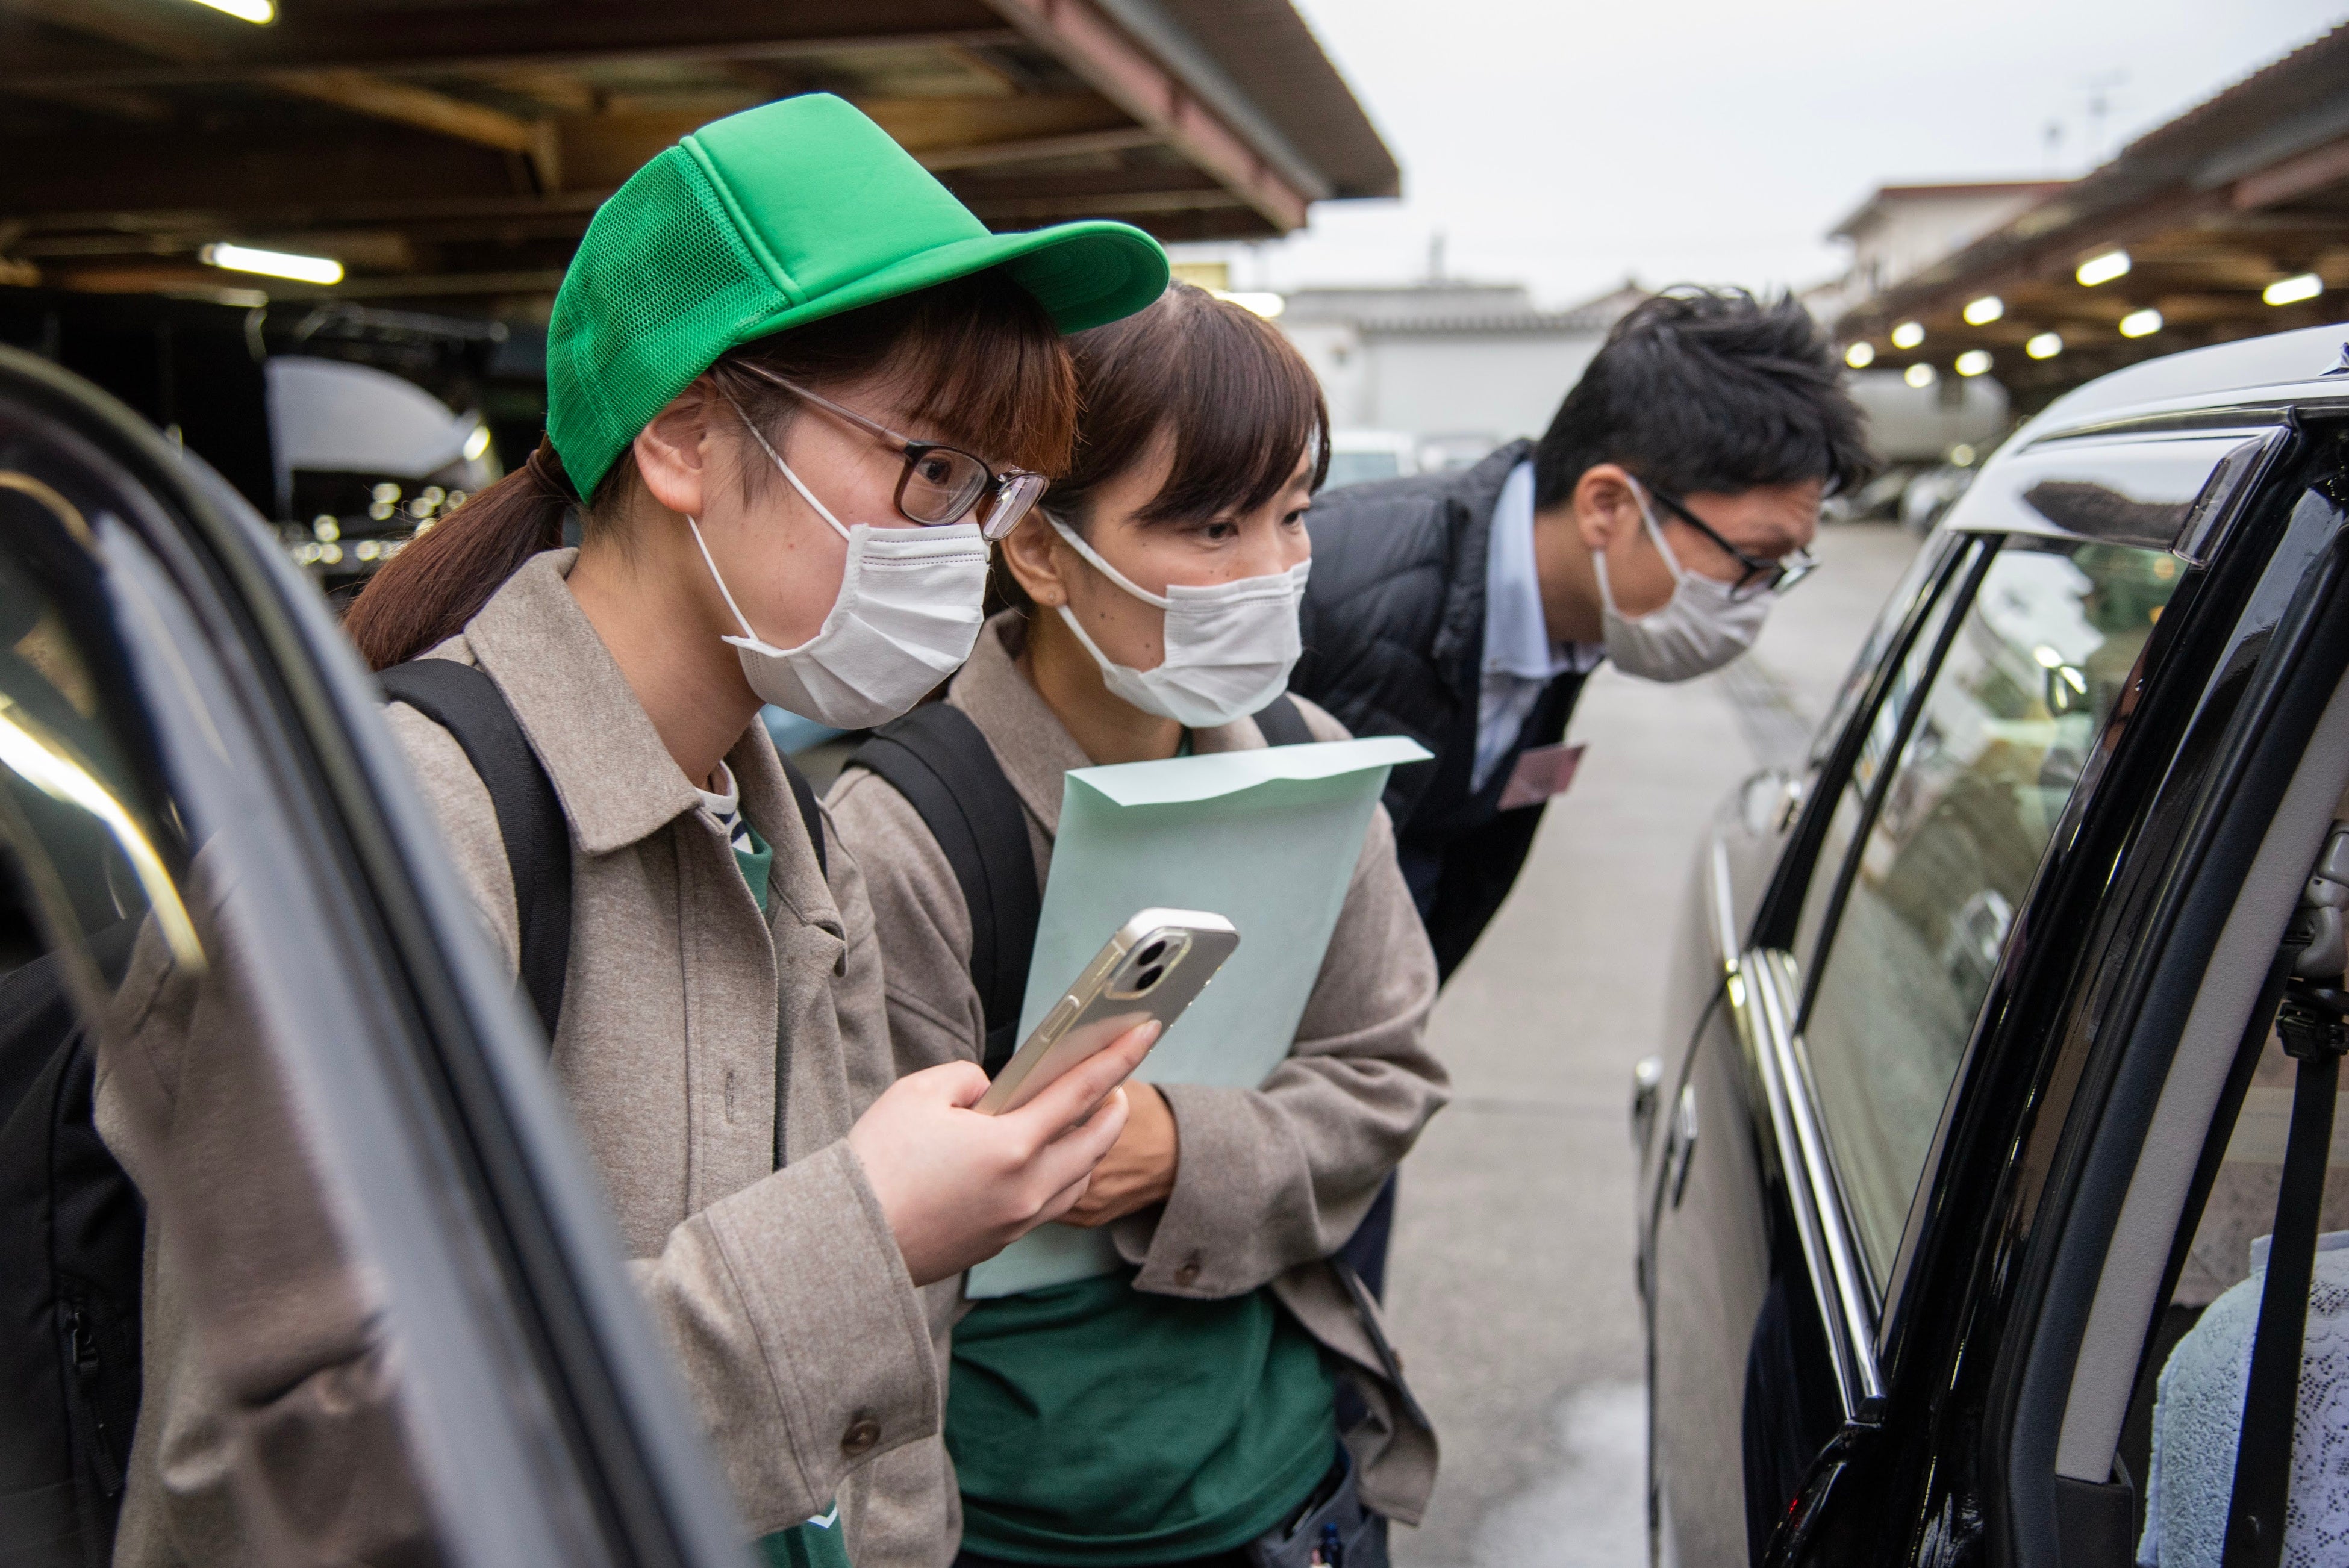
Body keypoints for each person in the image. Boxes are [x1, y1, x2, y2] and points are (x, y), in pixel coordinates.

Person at [103, 94, 1173, 1566]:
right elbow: (278, 1475)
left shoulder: (794, 832)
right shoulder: (392, 840)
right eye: (933, 471)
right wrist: (862, 1237)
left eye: (997, 492)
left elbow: (887, 1448)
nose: (967, 547)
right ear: (682, 438)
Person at [826, 283, 1446, 1568]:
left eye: (1292, 517)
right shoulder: (904, 831)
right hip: (1014, 1514)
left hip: (1293, 1478)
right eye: (1213, 526)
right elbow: (865, 1266)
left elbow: (1388, 1074)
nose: (1273, 574)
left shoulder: (1310, 763)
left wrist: (1182, 1149)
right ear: (1042, 549)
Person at [1288, 286, 1873, 1293]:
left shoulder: (1576, 624)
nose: (1753, 607)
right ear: (1608, 504)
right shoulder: (1325, 587)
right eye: (1751, 564)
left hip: (1354, 1088)